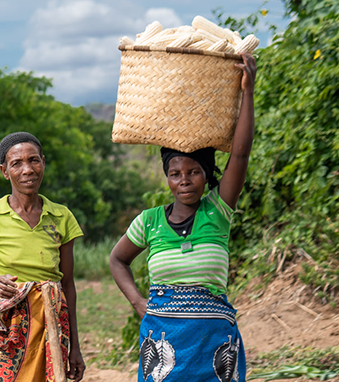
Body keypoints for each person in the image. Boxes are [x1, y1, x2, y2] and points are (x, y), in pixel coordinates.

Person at [110, 53, 257, 382]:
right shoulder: (149, 222)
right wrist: (137, 301)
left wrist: (248, 91)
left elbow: (241, 152)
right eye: (175, 173)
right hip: (164, 341)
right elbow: (117, 260)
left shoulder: (217, 211)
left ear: (206, 176)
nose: (184, 179)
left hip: (213, 341)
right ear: (167, 179)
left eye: (193, 172)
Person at [0, 131, 86, 382]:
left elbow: (68, 285)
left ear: (43, 162)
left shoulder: (61, 216)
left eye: (34, 160)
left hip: (52, 322)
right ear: (4, 171)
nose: (28, 169)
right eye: (16, 163)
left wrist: (75, 347)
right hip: (10, 323)